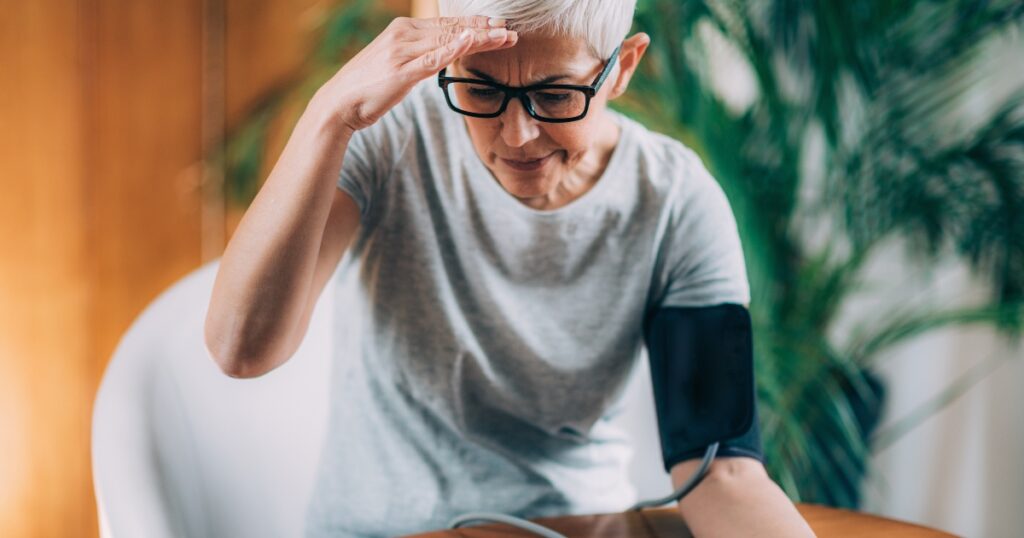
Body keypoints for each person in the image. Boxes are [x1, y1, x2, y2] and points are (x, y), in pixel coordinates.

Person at [204, 0, 816, 536]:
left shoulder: (674, 201)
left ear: (621, 69)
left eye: (555, 95)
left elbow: (723, 471)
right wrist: (329, 114)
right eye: (482, 90)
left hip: (573, 528)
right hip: (384, 532)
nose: (517, 135)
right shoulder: (389, 139)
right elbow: (243, 348)